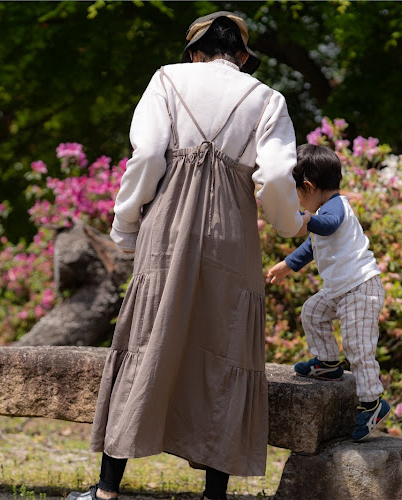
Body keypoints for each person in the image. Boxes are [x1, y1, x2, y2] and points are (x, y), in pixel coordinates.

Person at [67, 11, 307, 500]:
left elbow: (149, 154)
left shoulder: (167, 79)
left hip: (167, 226)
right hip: (232, 233)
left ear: (195, 51)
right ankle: (213, 496)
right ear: (241, 56)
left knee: (146, 336)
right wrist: (288, 225)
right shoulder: (268, 98)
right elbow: (278, 177)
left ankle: (108, 490)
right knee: (226, 345)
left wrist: (125, 222)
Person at [266, 144, 391, 442]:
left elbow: (327, 225)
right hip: (340, 289)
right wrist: (288, 264)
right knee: (313, 311)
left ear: (307, 187)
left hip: (361, 287)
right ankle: (328, 363)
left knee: (359, 347)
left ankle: (373, 403)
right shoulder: (322, 213)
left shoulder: (335, 208)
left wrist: (304, 220)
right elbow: (313, 245)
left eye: (295, 192)